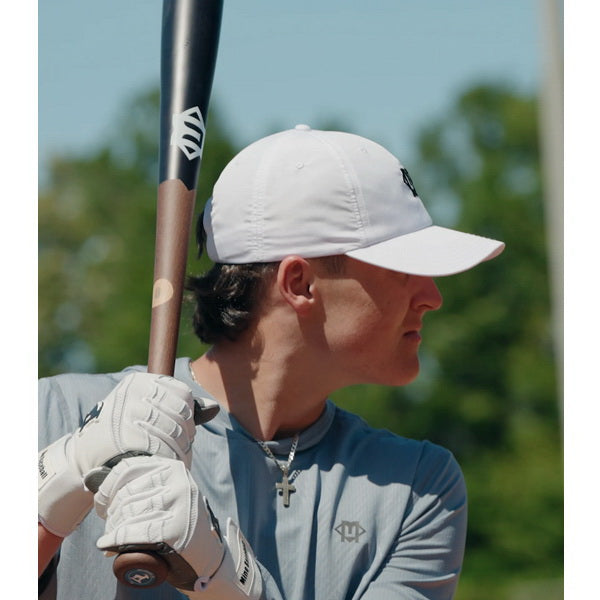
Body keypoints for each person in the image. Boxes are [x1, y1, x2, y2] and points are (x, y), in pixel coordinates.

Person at [38, 125, 505, 600]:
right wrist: (54, 498)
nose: (433, 297)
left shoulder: (419, 487)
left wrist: (222, 579)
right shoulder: (55, 412)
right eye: (403, 270)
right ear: (299, 283)